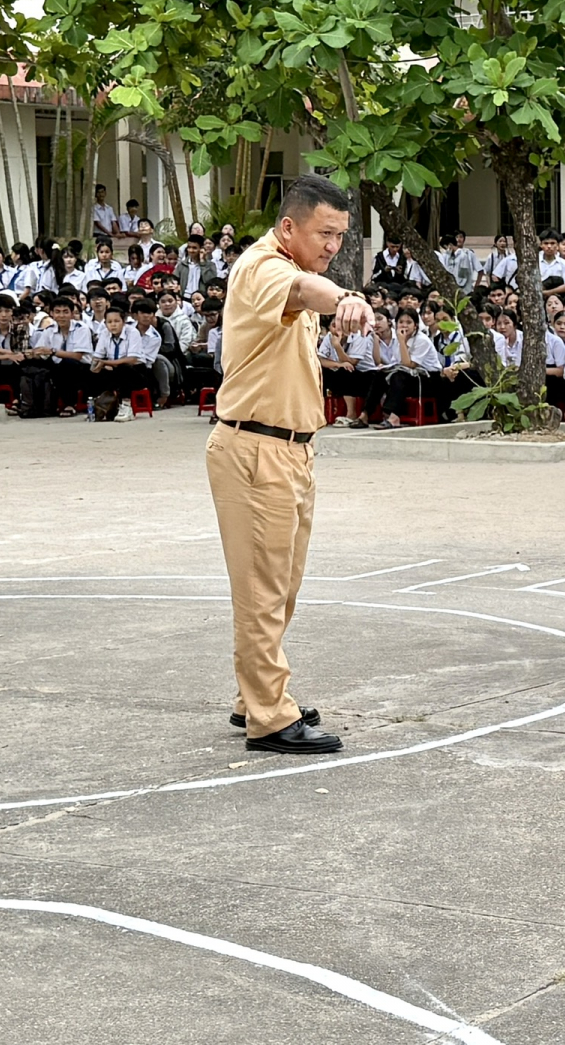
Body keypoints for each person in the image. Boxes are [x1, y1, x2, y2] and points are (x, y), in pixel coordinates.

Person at [207, 175, 372, 756]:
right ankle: (269, 718)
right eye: (325, 233)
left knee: (280, 587)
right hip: (257, 449)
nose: (333, 246)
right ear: (288, 227)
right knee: (262, 588)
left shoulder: (289, 268)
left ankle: (253, 694)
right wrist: (346, 297)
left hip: (290, 449)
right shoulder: (264, 267)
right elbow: (306, 289)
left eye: (341, 236)